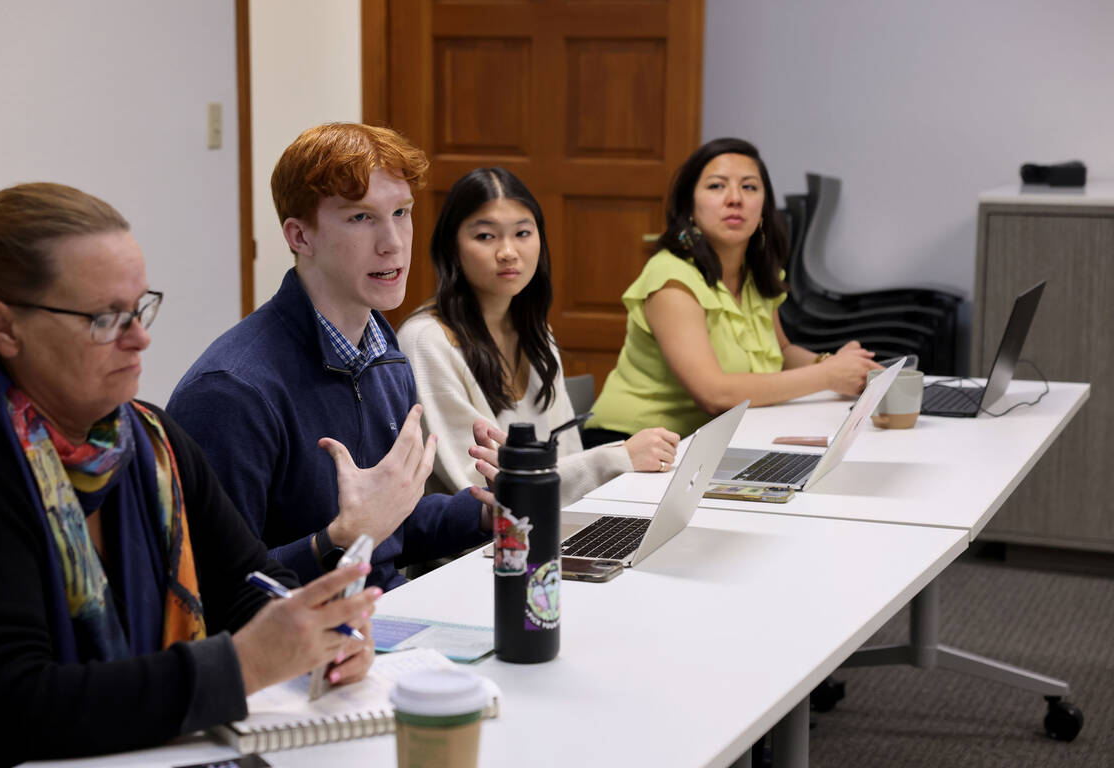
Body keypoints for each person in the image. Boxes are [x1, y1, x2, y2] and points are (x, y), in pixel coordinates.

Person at [0, 183, 380, 768]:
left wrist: (321, 632)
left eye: (141, 308)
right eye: (105, 319)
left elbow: (249, 586)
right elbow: (17, 705)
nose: (140, 338)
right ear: (3, 325)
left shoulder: (153, 442)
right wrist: (239, 667)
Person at [167, 123, 489, 592]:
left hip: (386, 619)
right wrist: (337, 541)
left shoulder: (383, 352)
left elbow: (389, 532)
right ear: (300, 236)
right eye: (361, 218)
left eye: (401, 212)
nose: (393, 242)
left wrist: (487, 507)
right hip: (300, 649)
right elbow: (216, 592)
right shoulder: (232, 390)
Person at [397, 167, 679, 507]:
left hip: (549, 522)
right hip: (479, 545)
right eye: (485, 236)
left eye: (522, 233)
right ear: (452, 247)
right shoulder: (426, 341)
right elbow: (478, 487)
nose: (508, 252)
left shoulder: (534, 331)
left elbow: (568, 452)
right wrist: (618, 457)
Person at [585, 137, 882, 443]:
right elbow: (714, 394)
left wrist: (837, 365)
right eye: (716, 186)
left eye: (749, 187)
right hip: (633, 446)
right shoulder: (671, 279)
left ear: (764, 208)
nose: (735, 198)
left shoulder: (754, 272)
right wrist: (827, 377)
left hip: (710, 444)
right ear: (689, 207)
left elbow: (782, 351)